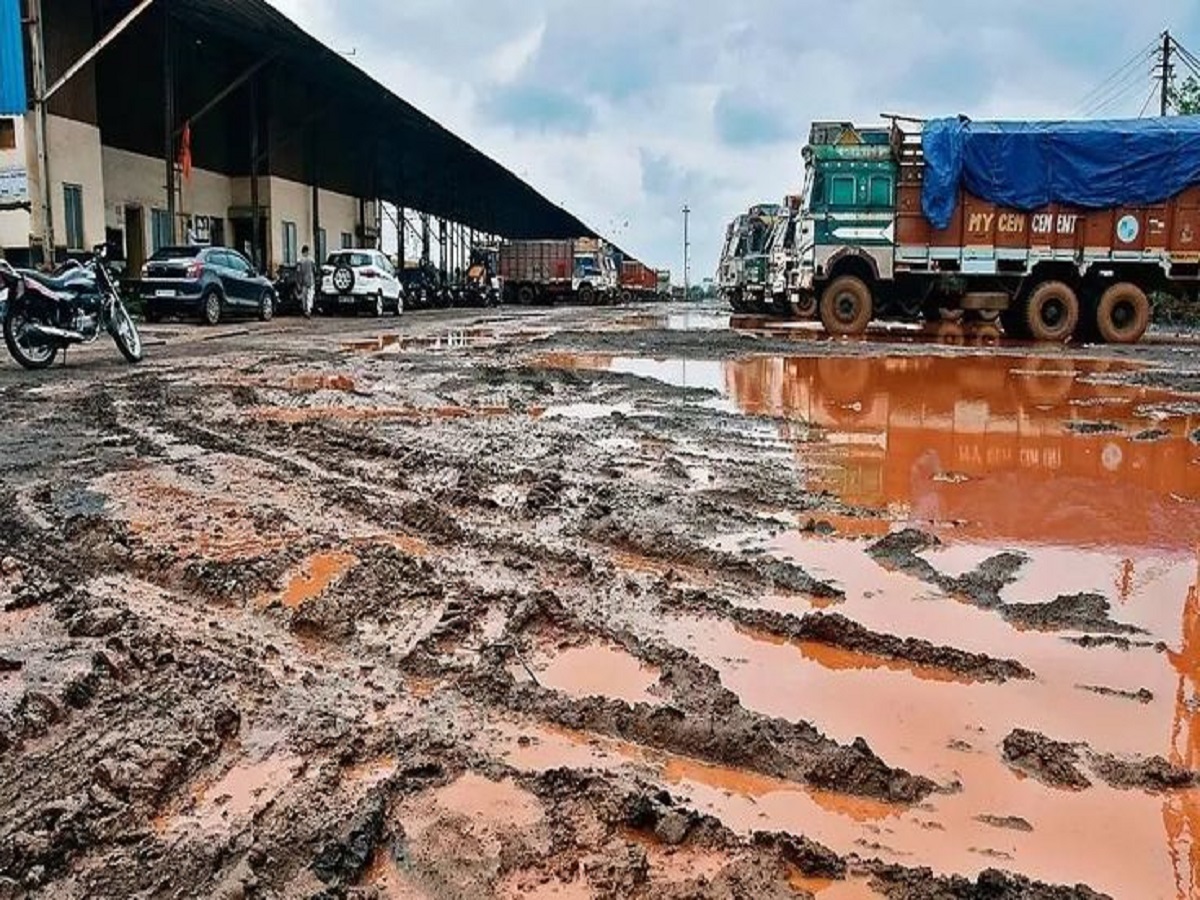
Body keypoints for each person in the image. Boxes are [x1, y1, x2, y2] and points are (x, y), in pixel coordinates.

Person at [297, 245, 316, 318]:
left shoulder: (300, 261)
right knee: (310, 296)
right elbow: (314, 270)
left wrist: (299, 282)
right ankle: (308, 310)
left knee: (304, 297)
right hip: (310, 281)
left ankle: (305, 310)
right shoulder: (311, 260)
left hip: (303, 281)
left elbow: (298, 272)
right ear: (307, 251)